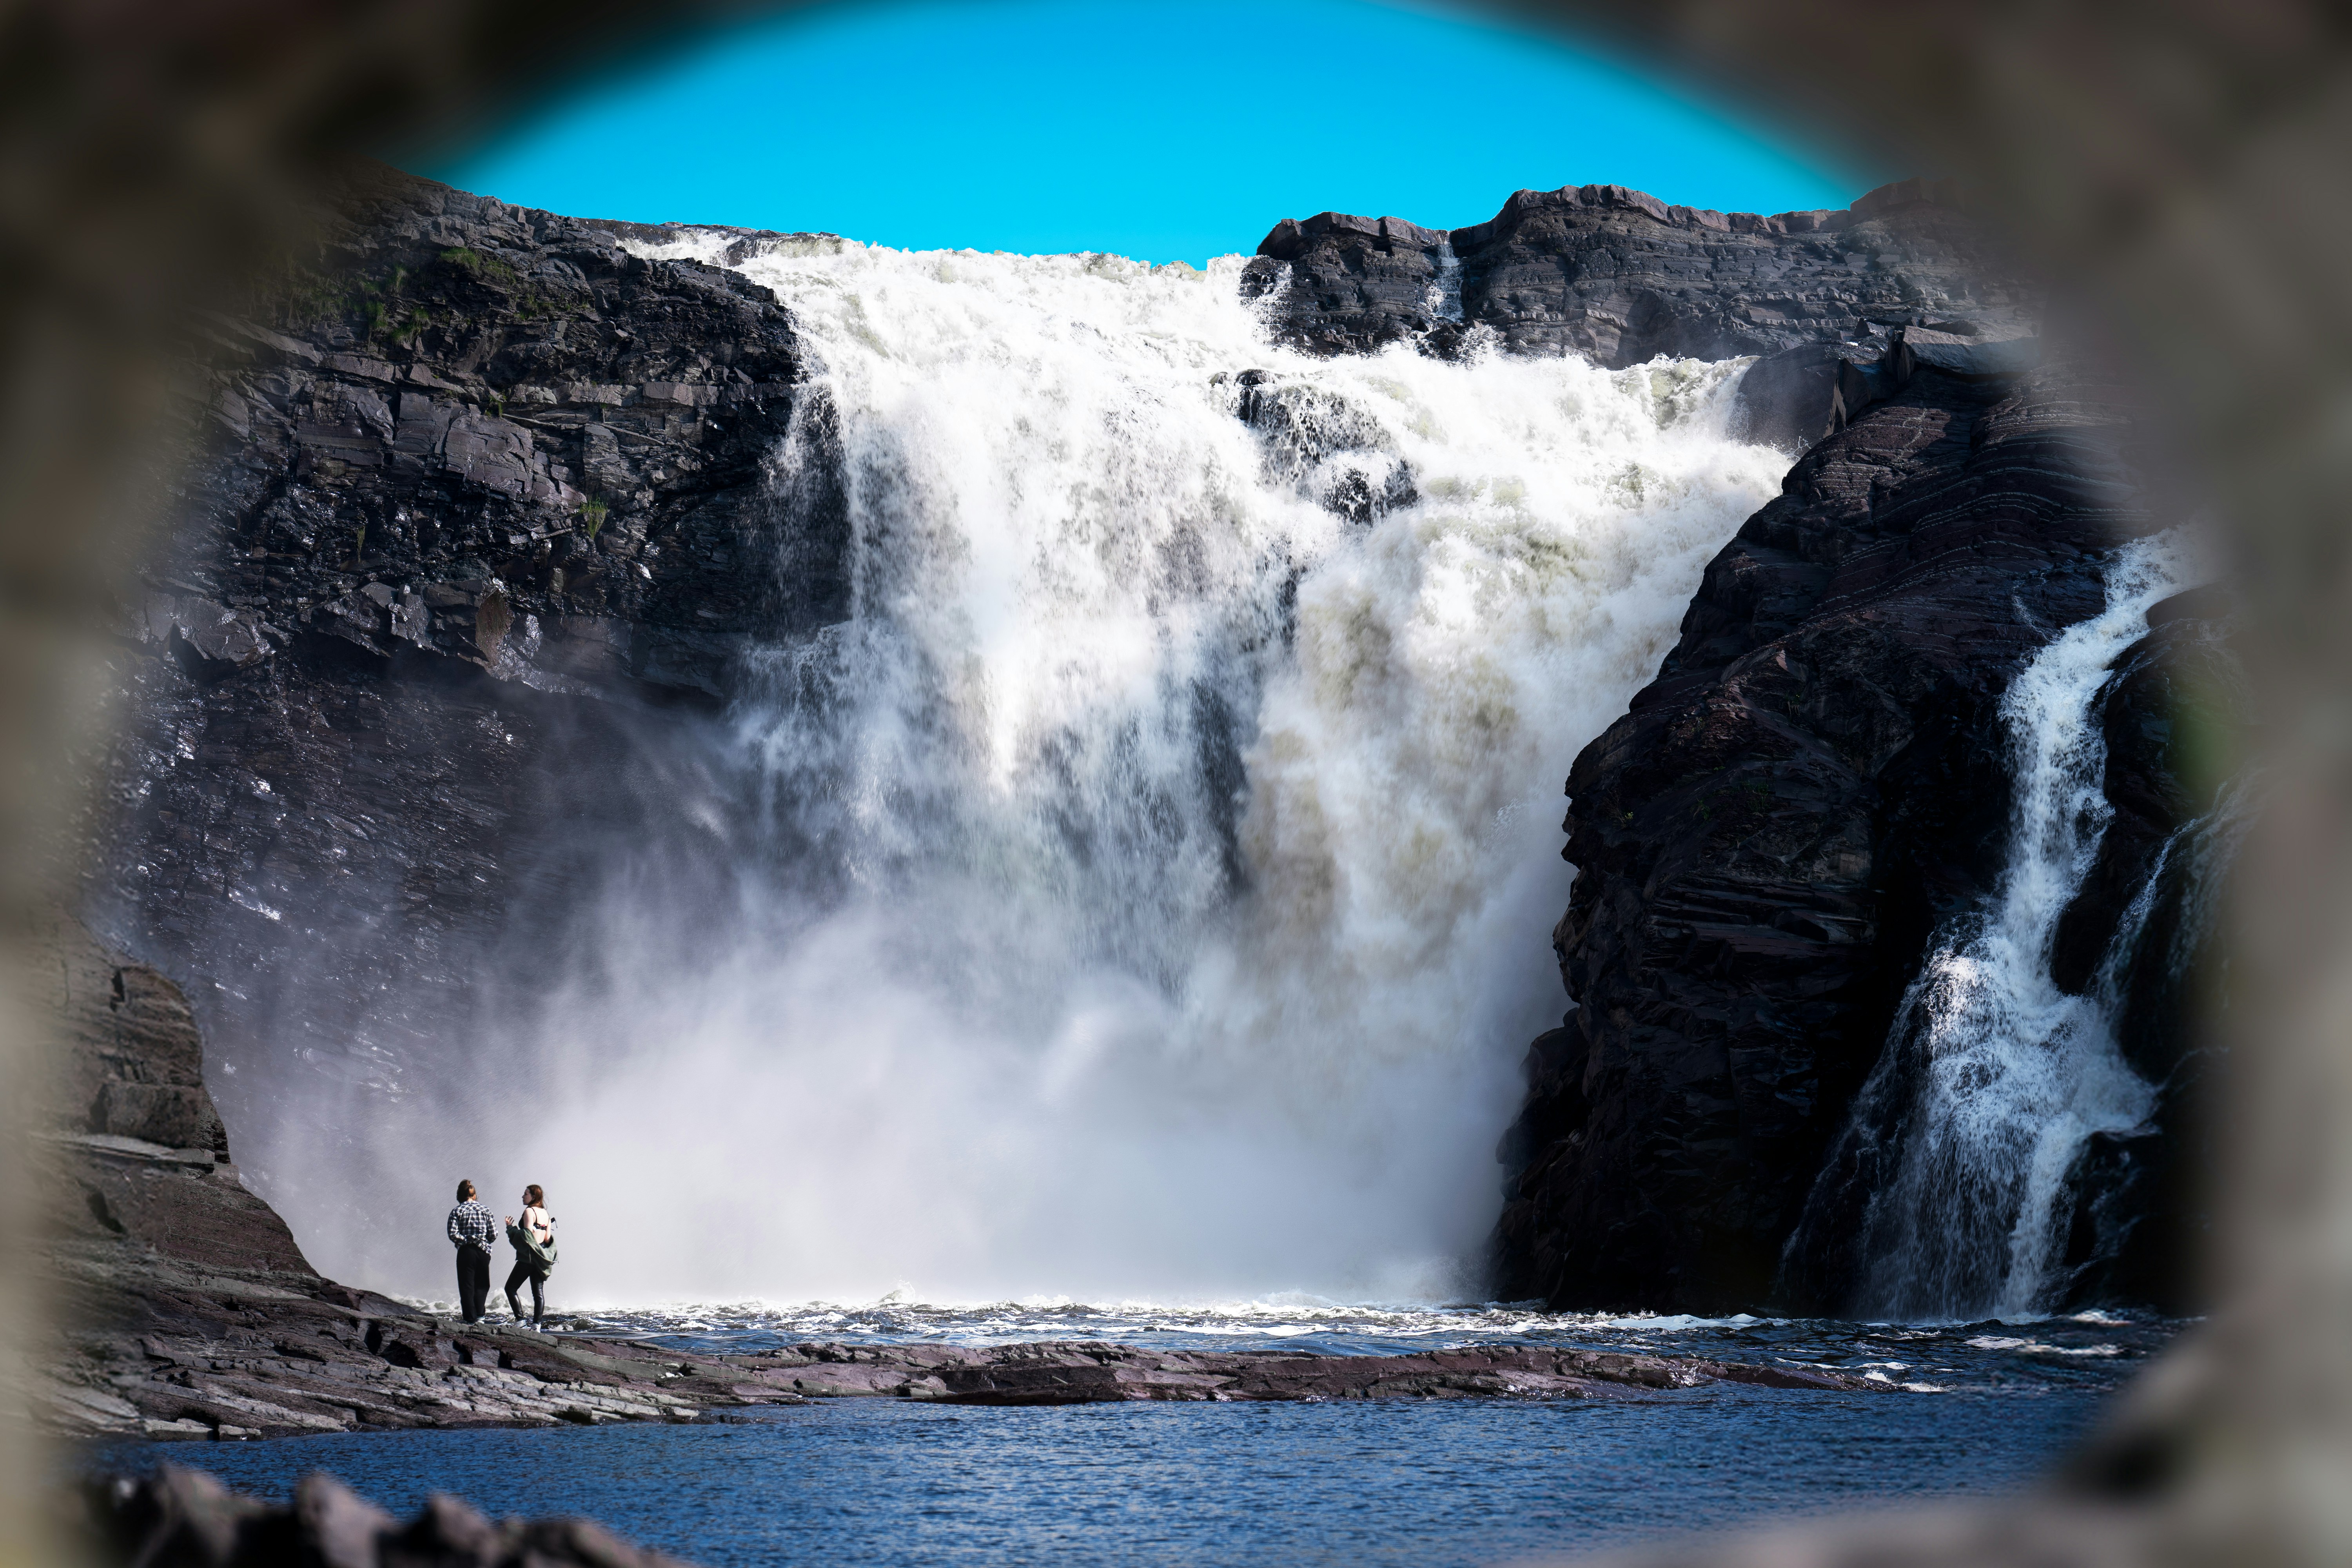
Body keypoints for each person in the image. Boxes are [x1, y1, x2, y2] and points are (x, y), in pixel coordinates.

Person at [504, 1183, 556, 1328]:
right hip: (541, 1259)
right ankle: (537, 1326)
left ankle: (520, 1321)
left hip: (528, 1258)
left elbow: (528, 1235)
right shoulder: (546, 1214)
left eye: (526, 1194)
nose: (523, 1196)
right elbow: (547, 1238)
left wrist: (511, 1228)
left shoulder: (529, 1212)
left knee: (510, 1288)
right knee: (538, 1293)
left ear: (534, 1197)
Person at [445, 1178, 497, 1324]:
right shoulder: (486, 1210)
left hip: (466, 1252)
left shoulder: (457, 1211)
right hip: (483, 1252)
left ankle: (469, 1319)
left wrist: (468, 1240)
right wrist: (482, 1241)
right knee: (482, 1284)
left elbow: (453, 1234)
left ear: (460, 1196)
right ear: (475, 1196)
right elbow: (494, 1234)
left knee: (467, 1286)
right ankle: (481, 1317)